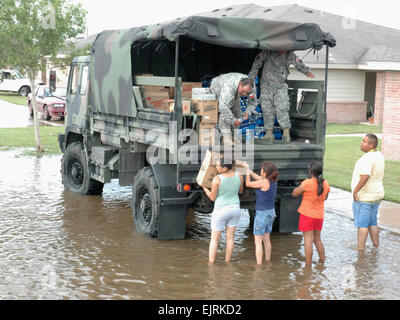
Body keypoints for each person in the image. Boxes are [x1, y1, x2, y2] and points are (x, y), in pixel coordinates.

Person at [249, 50, 314, 143]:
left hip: (280, 86)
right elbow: (257, 63)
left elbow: (298, 63)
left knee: (282, 109)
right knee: (266, 109)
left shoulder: (290, 54)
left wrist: (307, 72)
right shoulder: (267, 52)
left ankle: (286, 133)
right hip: (266, 85)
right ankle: (269, 133)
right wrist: (251, 77)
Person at [201, 156, 244, 263]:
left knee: (214, 239)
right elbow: (240, 191)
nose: (216, 167)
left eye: (218, 166)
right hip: (235, 209)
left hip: (221, 210)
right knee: (230, 239)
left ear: (224, 168)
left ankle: (211, 264)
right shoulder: (239, 175)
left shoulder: (217, 179)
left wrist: (204, 187)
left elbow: (212, 197)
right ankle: (227, 262)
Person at [292, 160, 330, 265]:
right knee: (317, 239)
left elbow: (294, 193)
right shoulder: (325, 183)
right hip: (319, 216)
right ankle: (322, 261)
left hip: (307, 215)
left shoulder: (307, 183)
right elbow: (325, 197)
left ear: (310, 171)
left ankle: (308, 266)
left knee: (308, 240)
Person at [351, 134, 385, 251]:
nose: (361, 142)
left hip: (365, 196)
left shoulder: (367, 158)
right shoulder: (379, 155)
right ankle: (376, 246)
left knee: (362, 224)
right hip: (377, 195)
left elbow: (365, 176)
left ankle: (360, 250)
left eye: (364, 141)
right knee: (372, 222)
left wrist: (356, 190)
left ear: (371, 145)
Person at [209, 73, 258, 144]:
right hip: (217, 88)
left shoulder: (251, 88)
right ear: (240, 84)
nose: (244, 94)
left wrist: (247, 112)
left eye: (247, 92)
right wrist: (234, 120)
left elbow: (253, 103)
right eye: (243, 91)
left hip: (235, 90)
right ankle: (226, 138)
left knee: (237, 111)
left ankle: (234, 136)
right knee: (225, 113)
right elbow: (223, 107)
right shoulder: (229, 87)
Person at [246, 161, 279, 264]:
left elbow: (248, 184)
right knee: (266, 239)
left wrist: (247, 174)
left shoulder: (264, 182)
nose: (260, 170)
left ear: (264, 172)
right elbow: (258, 178)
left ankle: (259, 266)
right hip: (271, 213)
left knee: (258, 241)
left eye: (261, 169)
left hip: (262, 215)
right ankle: (267, 260)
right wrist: (250, 171)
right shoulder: (272, 181)